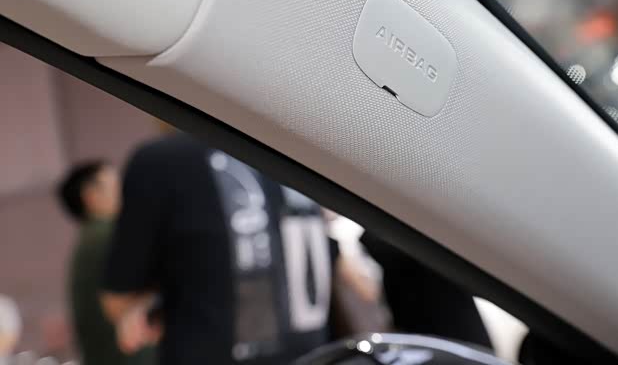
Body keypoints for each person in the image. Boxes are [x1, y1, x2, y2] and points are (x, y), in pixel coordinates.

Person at [102, 133, 491, 365]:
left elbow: (118, 300)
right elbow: (346, 274)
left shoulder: (163, 161)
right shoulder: (296, 150)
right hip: (314, 354)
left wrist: (150, 305)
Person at [56, 160, 155, 365]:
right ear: (91, 195)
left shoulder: (91, 239)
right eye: (116, 184)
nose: (124, 192)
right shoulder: (110, 235)